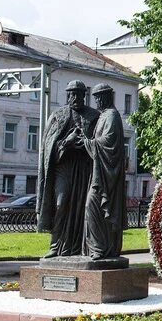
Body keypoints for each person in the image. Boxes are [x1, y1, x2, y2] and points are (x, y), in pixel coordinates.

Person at [37, 80, 100, 258]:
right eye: (72, 94)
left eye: (79, 94)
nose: (75, 97)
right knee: (61, 203)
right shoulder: (59, 115)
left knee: (82, 208)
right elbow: (48, 146)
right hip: (62, 168)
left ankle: (81, 247)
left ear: (84, 96)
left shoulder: (93, 116)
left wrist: (85, 144)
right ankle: (56, 246)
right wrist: (67, 142)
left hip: (84, 169)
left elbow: (100, 143)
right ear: (67, 95)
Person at [81, 84, 126, 260]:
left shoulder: (112, 116)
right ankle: (96, 247)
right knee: (91, 208)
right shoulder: (104, 116)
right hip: (99, 171)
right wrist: (86, 141)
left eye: (99, 97)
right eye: (95, 97)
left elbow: (109, 143)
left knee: (91, 206)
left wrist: (88, 142)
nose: (96, 101)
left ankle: (100, 248)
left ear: (106, 97)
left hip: (107, 176)